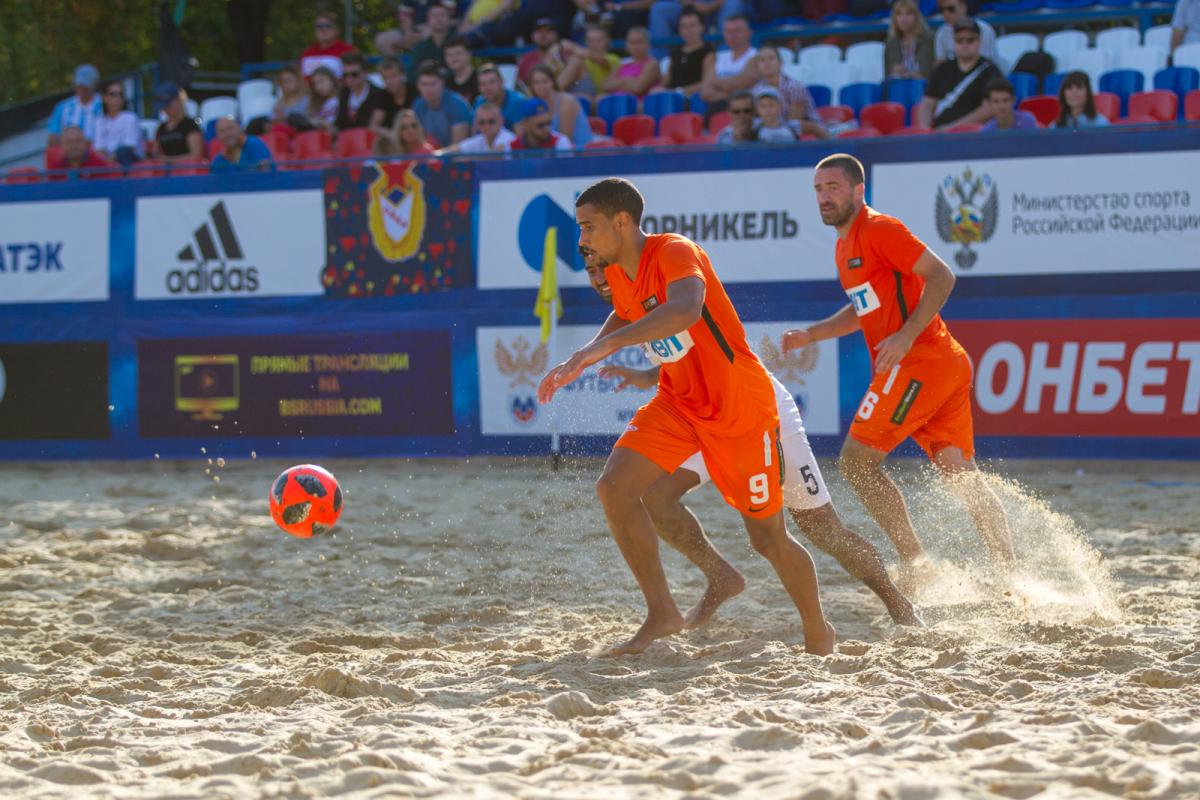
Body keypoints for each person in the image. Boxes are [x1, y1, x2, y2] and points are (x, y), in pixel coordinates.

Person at [538, 178, 836, 657]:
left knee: (768, 538)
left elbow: (685, 309)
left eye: (588, 227)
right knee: (615, 488)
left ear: (622, 222)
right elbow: (625, 313)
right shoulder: (618, 271)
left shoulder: (674, 251)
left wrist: (601, 348)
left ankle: (820, 634)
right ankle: (662, 612)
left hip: (737, 407)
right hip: (679, 401)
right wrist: (588, 353)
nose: (583, 239)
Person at [581, 245, 920, 628]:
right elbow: (689, 359)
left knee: (819, 528)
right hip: (703, 416)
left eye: (602, 268)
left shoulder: (667, 278)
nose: (598, 279)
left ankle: (898, 604)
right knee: (656, 496)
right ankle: (721, 577)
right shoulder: (632, 296)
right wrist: (645, 375)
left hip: (755, 409)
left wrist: (601, 351)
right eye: (590, 272)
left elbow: (714, 352)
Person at [784, 154, 1016, 584]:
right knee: (960, 474)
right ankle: (1011, 576)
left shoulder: (879, 229)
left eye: (833, 187)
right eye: (818, 189)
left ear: (859, 190)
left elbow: (942, 276)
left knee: (856, 463)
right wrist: (812, 335)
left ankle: (918, 566)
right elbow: (863, 308)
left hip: (920, 362)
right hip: (938, 362)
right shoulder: (844, 244)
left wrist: (906, 336)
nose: (824, 197)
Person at [916, 19, 1002, 130]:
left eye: (970, 40)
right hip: (938, 133)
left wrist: (952, 128)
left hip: (972, 133)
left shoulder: (990, 70)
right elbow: (927, 103)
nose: (964, 44)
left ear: (979, 42)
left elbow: (989, 108)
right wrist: (925, 128)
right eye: (959, 40)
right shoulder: (942, 69)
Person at [753, 44, 828, 137]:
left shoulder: (794, 87)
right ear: (757, 67)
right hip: (773, 130)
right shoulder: (756, 90)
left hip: (809, 131)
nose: (766, 63)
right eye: (762, 60)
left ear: (780, 63)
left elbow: (794, 122)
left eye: (771, 58)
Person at [699, 16, 759, 104]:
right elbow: (705, 91)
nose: (732, 35)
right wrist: (732, 97)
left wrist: (715, 83)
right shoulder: (718, 57)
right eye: (728, 31)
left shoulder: (757, 56)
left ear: (749, 33)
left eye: (737, 31)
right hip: (720, 107)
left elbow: (744, 82)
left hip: (749, 108)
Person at [528, 64, 591, 147]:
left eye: (545, 81)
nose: (541, 86)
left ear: (553, 82)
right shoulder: (533, 104)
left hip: (577, 149)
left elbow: (566, 140)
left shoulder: (566, 102)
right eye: (536, 83)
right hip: (549, 149)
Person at [412, 61, 473, 147]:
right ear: (418, 85)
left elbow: (458, 147)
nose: (429, 89)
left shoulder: (458, 105)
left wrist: (435, 154)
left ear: (442, 83)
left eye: (433, 83)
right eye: (424, 84)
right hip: (430, 153)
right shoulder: (418, 105)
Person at [557, 25, 621, 99]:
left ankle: (553, 92)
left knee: (576, 61)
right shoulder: (581, 56)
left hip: (598, 94)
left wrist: (573, 47)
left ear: (607, 41)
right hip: (578, 90)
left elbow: (600, 60)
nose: (593, 45)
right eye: (590, 41)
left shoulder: (613, 58)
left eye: (598, 41)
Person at [47, 64, 103, 148]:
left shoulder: (106, 104)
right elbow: (53, 137)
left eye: (85, 85)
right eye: (79, 85)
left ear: (95, 84)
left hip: (98, 151)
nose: (81, 88)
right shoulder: (62, 107)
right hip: (69, 152)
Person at [663, 9, 715, 97]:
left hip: (693, 99)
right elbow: (666, 81)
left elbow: (706, 83)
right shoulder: (675, 52)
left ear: (702, 27)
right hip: (671, 98)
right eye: (684, 26)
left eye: (692, 26)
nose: (688, 30)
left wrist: (678, 91)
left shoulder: (708, 52)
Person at [650, 0, 749, 46]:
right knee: (659, 9)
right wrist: (693, 4)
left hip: (720, 6)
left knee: (733, 3)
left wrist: (711, 6)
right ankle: (663, 61)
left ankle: (726, 52)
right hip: (692, 5)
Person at [335, 52, 391, 131]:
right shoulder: (344, 93)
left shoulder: (379, 95)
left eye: (354, 74)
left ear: (365, 72)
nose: (349, 79)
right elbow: (339, 124)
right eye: (345, 75)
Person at [601, 26, 662, 98]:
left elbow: (638, 88)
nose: (635, 46)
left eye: (639, 42)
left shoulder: (652, 63)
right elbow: (605, 85)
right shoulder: (623, 63)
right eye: (631, 42)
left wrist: (617, 83)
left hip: (638, 103)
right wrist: (627, 81)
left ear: (648, 44)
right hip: (617, 100)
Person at [93, 80, 143, 166]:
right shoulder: (100, 121)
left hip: (130, 163)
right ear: (104, 98)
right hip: (108, 162)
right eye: (113, 94)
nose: (118, 98)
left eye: (121, 94)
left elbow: (130, 147)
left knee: (122, 151)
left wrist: (109, 162)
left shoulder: (130, 118)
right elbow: (99, 148)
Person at [932, 0, 996, 65]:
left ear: (963, 7)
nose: (946, 14)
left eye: (951, 8)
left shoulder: (984, 29)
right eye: (942, 10)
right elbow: (940, 62)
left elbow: (986, 63)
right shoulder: (941, 32)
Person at [153, 82, 204, 162]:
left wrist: (169, 160)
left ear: (178, 101)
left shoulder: (190, 125)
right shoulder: (161, 128)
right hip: (166, 169)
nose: (166, 109)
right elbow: (155, 154)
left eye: (168, 105)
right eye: (163, 107)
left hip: (187, 169)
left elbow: (196, 156)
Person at [885, 0, 935, 80]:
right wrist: (895, 71)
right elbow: (888, 75)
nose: (903, 19)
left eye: (908, 14)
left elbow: (928, 72)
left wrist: (908, 74)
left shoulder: (928, 39)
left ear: (916, 17)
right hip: (899, 85)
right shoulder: (891, 42)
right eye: (899, 14)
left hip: (923, 85)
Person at [442, 102, 517, 153]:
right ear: (476, 124)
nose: (486, 126)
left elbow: (495, 156)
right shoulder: (480, 139)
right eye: (482, 122)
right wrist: (437, 154)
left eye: (491, 121)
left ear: (501, 121)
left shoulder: (509, 139)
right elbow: (456, 149)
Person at [409, 1, 455, 81]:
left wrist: (438, 71)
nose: (439, 19)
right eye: (434, 15)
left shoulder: (458, 43)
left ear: (449, 19)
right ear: (428, 20)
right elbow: (410, 75)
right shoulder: (421, 47)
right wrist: (423, 68)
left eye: (442, 15)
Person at [300, 12, 355, 77]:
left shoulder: (348, 51)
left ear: (337, 29)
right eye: (319, 26)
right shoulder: (307, 53)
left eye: (328, 26)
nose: (323, 29)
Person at [475, 64, 529, 129]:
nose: (487, 88)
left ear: (502, 82)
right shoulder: (479, 102)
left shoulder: (518, 102)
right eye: (483, 84)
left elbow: (520, 134)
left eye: (492, 82)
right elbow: (475, 131)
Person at [46, 126, 114, 177]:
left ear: (85, 143)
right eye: (69, 142)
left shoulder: (99, 166)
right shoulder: (55, 170)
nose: (74, 145)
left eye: (78, 141)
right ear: (62, 145)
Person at [518, 18, 567, 86]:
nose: (543, 35)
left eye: (548, 31)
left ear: (556, 35)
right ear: (532, 36)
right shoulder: (526, 59)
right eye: (539, 31)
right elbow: (521, 84)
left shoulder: (565, 55)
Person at [374, 108, 438, 156]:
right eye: (404, 127)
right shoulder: (393, 153)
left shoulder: (427, 152)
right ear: (398, 131)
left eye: (413, 125)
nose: (410, 130)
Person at [443, 37, 481, 103]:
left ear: (469, 54)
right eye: (449, 55)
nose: (454, 58)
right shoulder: (443, 82)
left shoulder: (481, 79)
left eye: (458, 53)